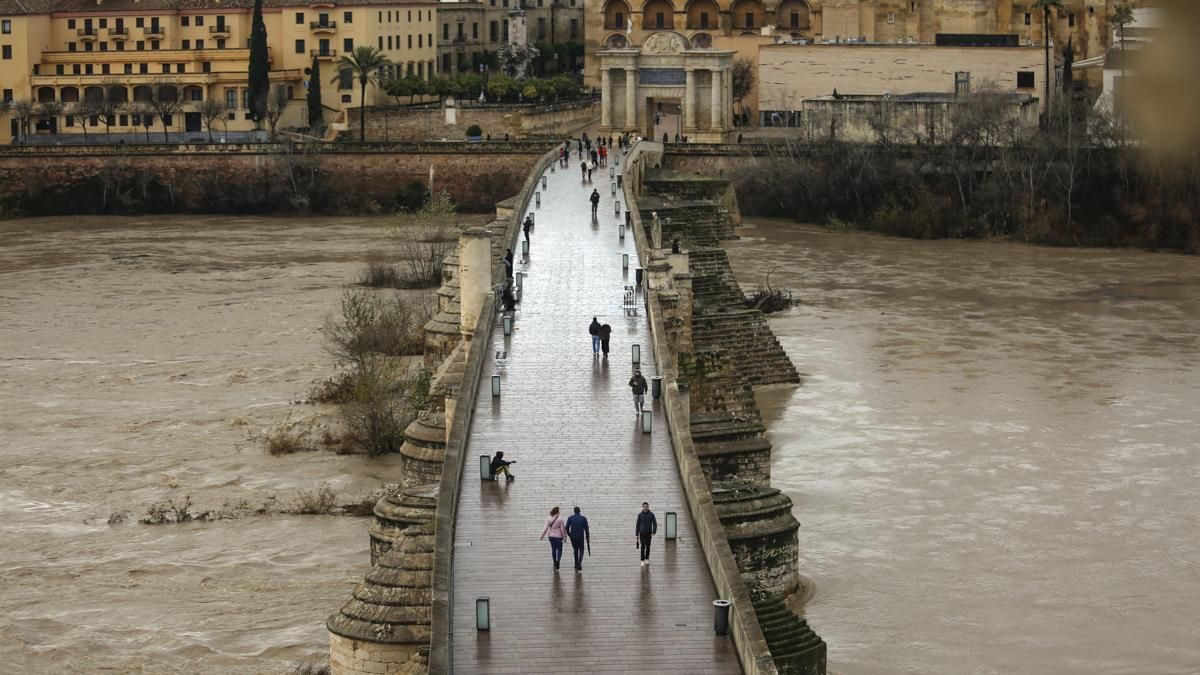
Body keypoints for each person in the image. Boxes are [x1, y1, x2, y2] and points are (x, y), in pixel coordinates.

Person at [540, 506, 567, 570]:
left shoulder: (549, 518)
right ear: (557, 511)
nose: (559, 512)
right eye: (559, 510)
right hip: (559, 537)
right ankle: (558, 562)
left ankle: (554, 562)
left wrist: (542, 536)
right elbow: (562, 529)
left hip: (551, 537)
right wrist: (565, 538)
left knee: (553, 549)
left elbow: (545, 528)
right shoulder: (560, 518)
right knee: (559, 550)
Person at [565, 506, 590, 572]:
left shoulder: (570, 518)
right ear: (579, 511)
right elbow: (586, 529)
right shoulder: (583, 518)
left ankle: (576, 563)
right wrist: (587, 537)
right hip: (580, 537)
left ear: (574, 511)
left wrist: (569, 534)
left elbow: (566, 527)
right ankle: (579, 562)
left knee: (575, 549)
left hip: (573, 537)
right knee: (581, 549)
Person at [635, 501, 657, 566]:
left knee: (648, 546)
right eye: (644, 506)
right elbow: (638, 525)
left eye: (646, 506)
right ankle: (642, 560)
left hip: (649, 534)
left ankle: (647, 558)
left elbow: (655, 523)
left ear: (648, 507)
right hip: (642, 533)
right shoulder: (640, 515)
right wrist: (637, 534)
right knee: (643, 546)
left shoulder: (651, 514)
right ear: (642, 507)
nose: (645, 508)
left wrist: (654, 532)